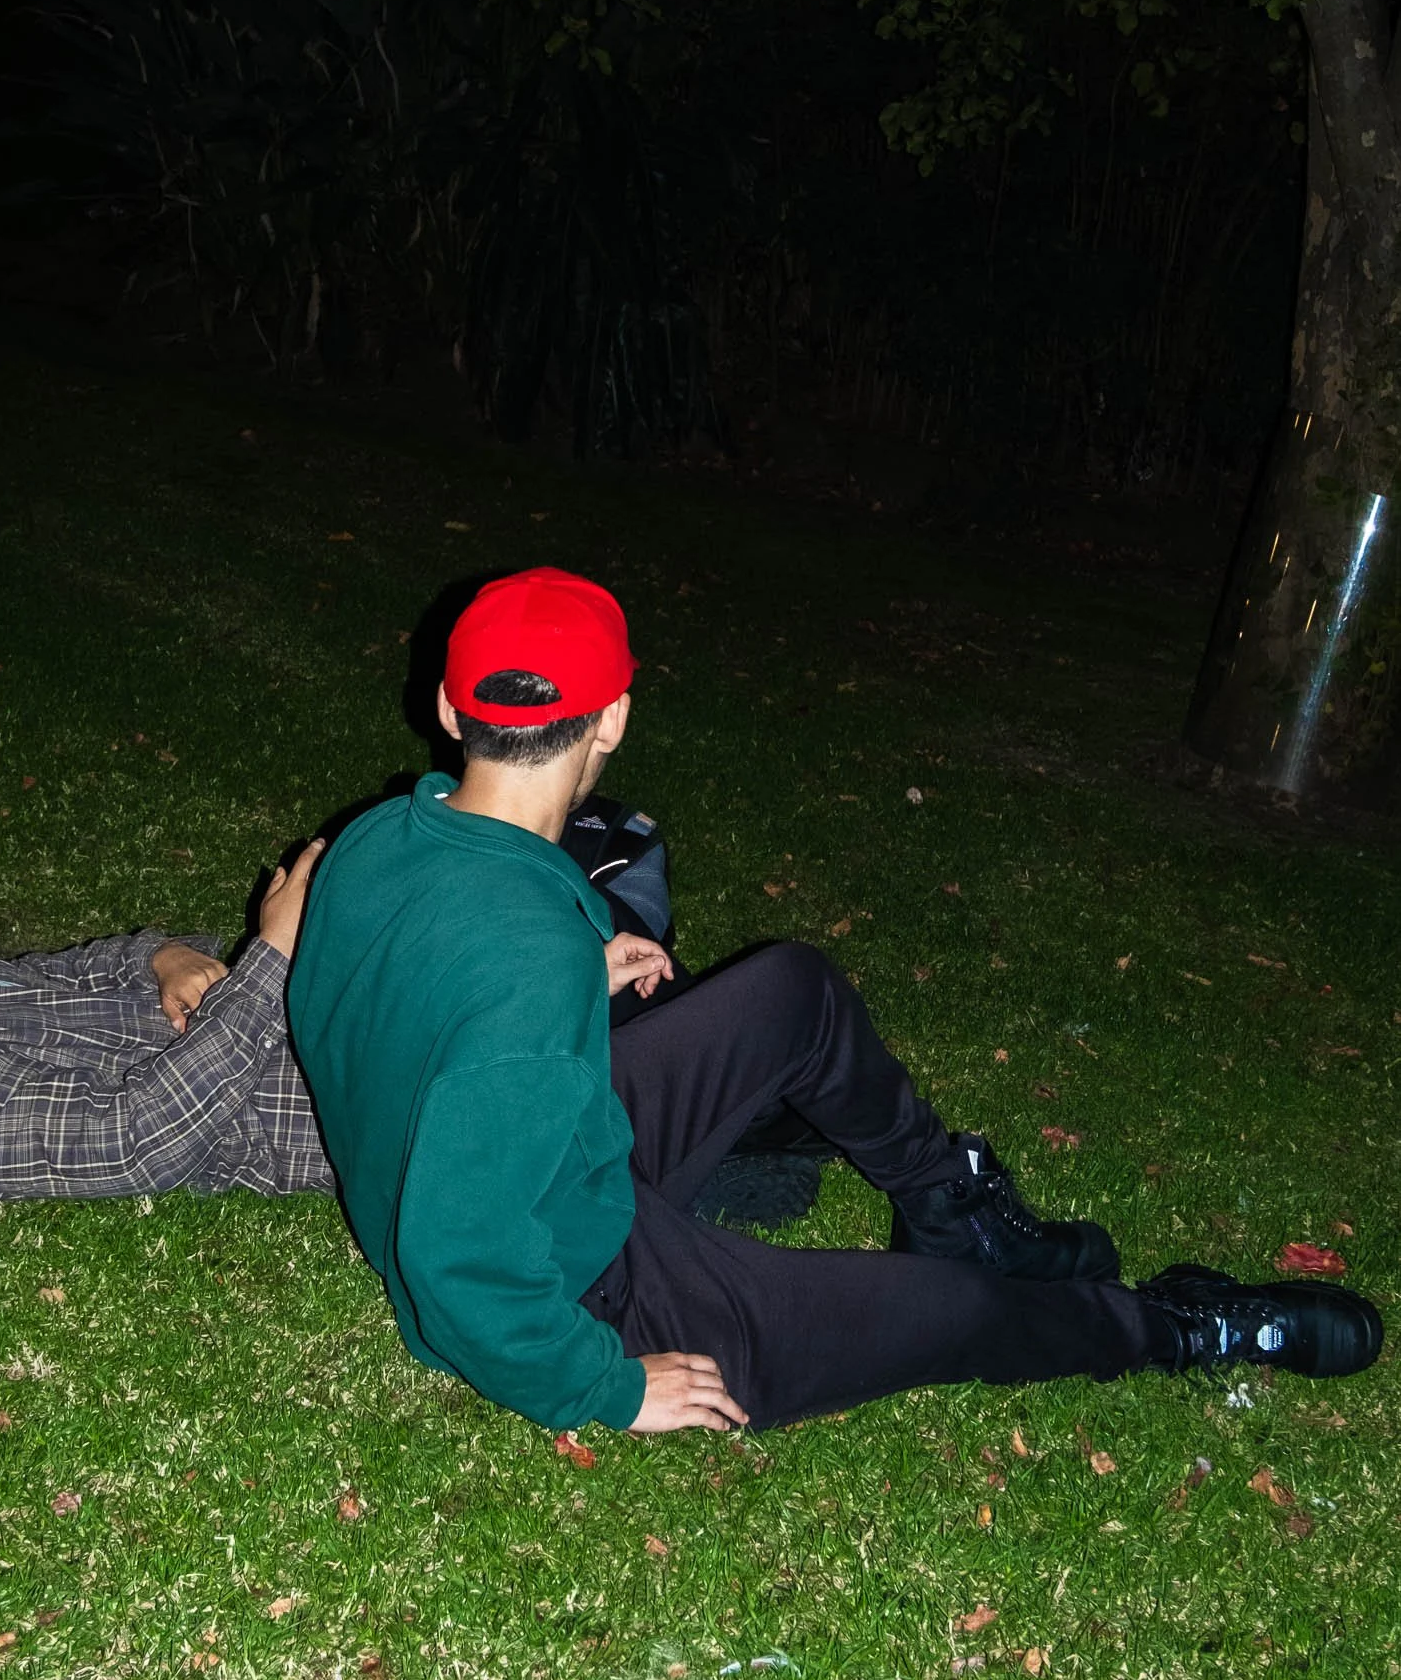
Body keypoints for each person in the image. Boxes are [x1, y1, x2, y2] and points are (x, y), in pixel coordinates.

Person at [287, 566, 1384, 1436]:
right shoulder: (526, 972)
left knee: (791, 988)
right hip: (584, 1279)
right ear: (612, 718)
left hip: (559, 1153)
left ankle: (946, 1209)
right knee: (953, 1317)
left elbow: (407, 989)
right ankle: (1176, 1327)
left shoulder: (378, 840)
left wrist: (577, 965)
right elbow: (459, 1256)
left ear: (451, 706)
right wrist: (605, 1386)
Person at [0, 797, 783, 1212]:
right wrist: (269, 952)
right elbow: (136, 1140)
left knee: (534, 851)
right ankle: (699, 1107)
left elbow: (103, 961)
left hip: (347, 1018)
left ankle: (605, 1014)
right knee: (692, 1063)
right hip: (370, 1105)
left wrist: (172, 959)